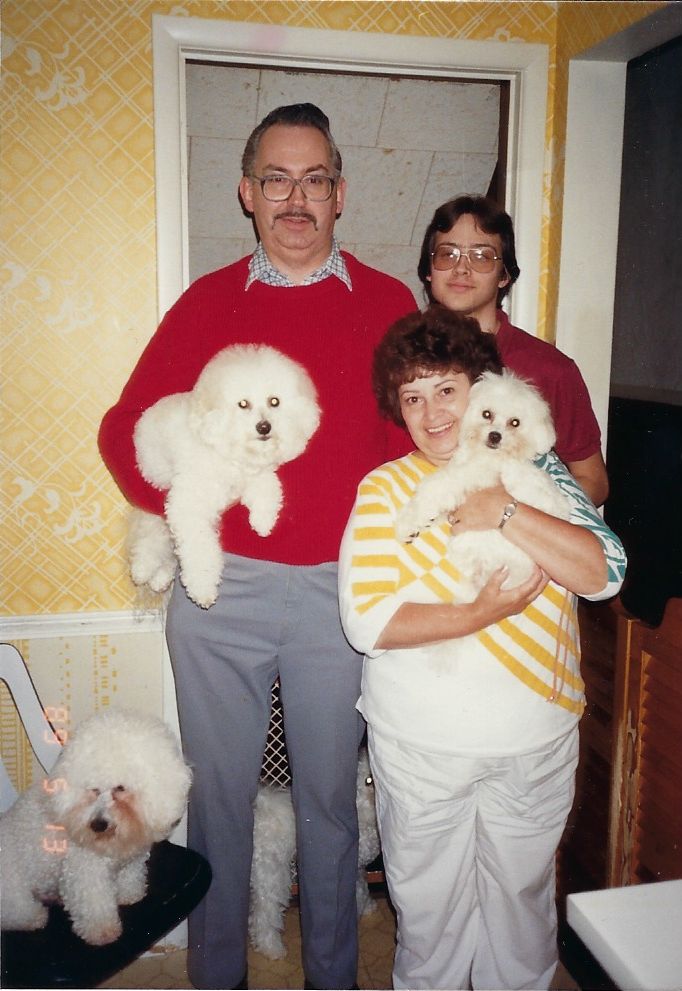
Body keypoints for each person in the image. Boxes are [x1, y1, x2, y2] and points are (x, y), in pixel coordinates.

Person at [98, 103, 416, 990]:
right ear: (247, 192)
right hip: (220, 594)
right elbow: (124, 428)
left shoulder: (388, 303)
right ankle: (217, 978)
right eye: (277, 179)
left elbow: (414, 449)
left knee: (330, 807)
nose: (296, 198)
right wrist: (186, 502)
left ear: (340, 192)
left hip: (338, 595)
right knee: (220, 805)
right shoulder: (207, 303)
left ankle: (333, 977)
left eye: (315, 179)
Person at [338, 306, 626, 990]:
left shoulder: (546, 476)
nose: (431, 411)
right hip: (423, 745)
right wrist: (479, 611)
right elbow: (368, 623)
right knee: (430, 911)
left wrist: (506, 510)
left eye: (446, 388)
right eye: (412, 396)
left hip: (535, 736)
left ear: (483, 389)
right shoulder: (383, 491)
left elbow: (603, 572)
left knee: (522, 908)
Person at [418, 194, 610, 506]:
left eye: (482, 256)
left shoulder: (550, 368)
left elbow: (594, 481)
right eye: (446, 254)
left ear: (504, 275)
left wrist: (515, 513)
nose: (461, 269)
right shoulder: (404, 360)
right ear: (429, 270)